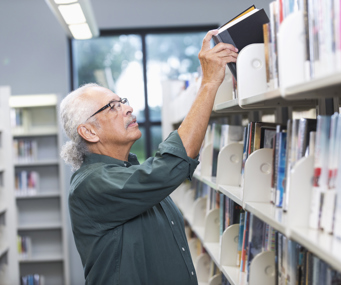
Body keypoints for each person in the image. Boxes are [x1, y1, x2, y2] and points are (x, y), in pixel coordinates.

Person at [60, 30, 238, 285]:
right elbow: (171, 166)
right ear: (89, 131)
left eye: (122, 101)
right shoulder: (91, 185)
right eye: (113, 107)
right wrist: (209, 84)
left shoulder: (128, 171)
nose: (129, 108)